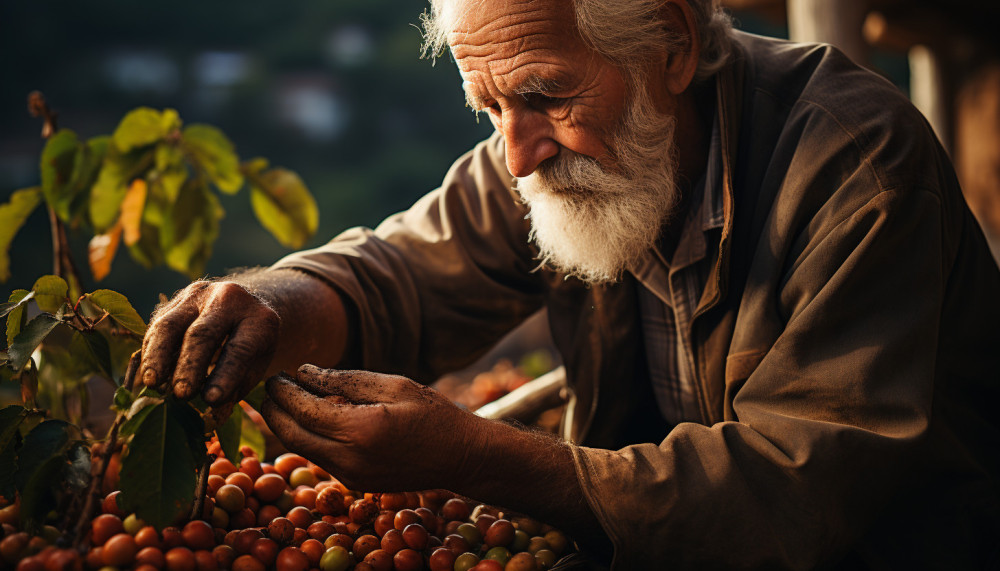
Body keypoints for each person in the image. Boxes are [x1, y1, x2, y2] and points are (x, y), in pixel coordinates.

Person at [137, 0, 1000, 568]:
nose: (516, 155)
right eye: (489, 109)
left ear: (671, 46)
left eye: (544, 97)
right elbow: (401, 272)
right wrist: (272, 304)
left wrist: (473, 454)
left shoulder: (854, 168)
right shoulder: (558, 149)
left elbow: (793, 497)